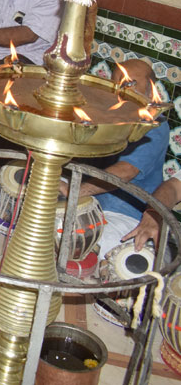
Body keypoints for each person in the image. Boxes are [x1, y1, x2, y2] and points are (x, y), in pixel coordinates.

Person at [59, 60, 171, 258]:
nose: (122, 89)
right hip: (88, 201)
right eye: (117, 82)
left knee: (77, 245)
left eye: (131, 83)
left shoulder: (156, 124)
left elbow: (126, 171)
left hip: (123, 216)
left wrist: (75, 191)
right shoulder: (109, 117)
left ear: (150, 88)